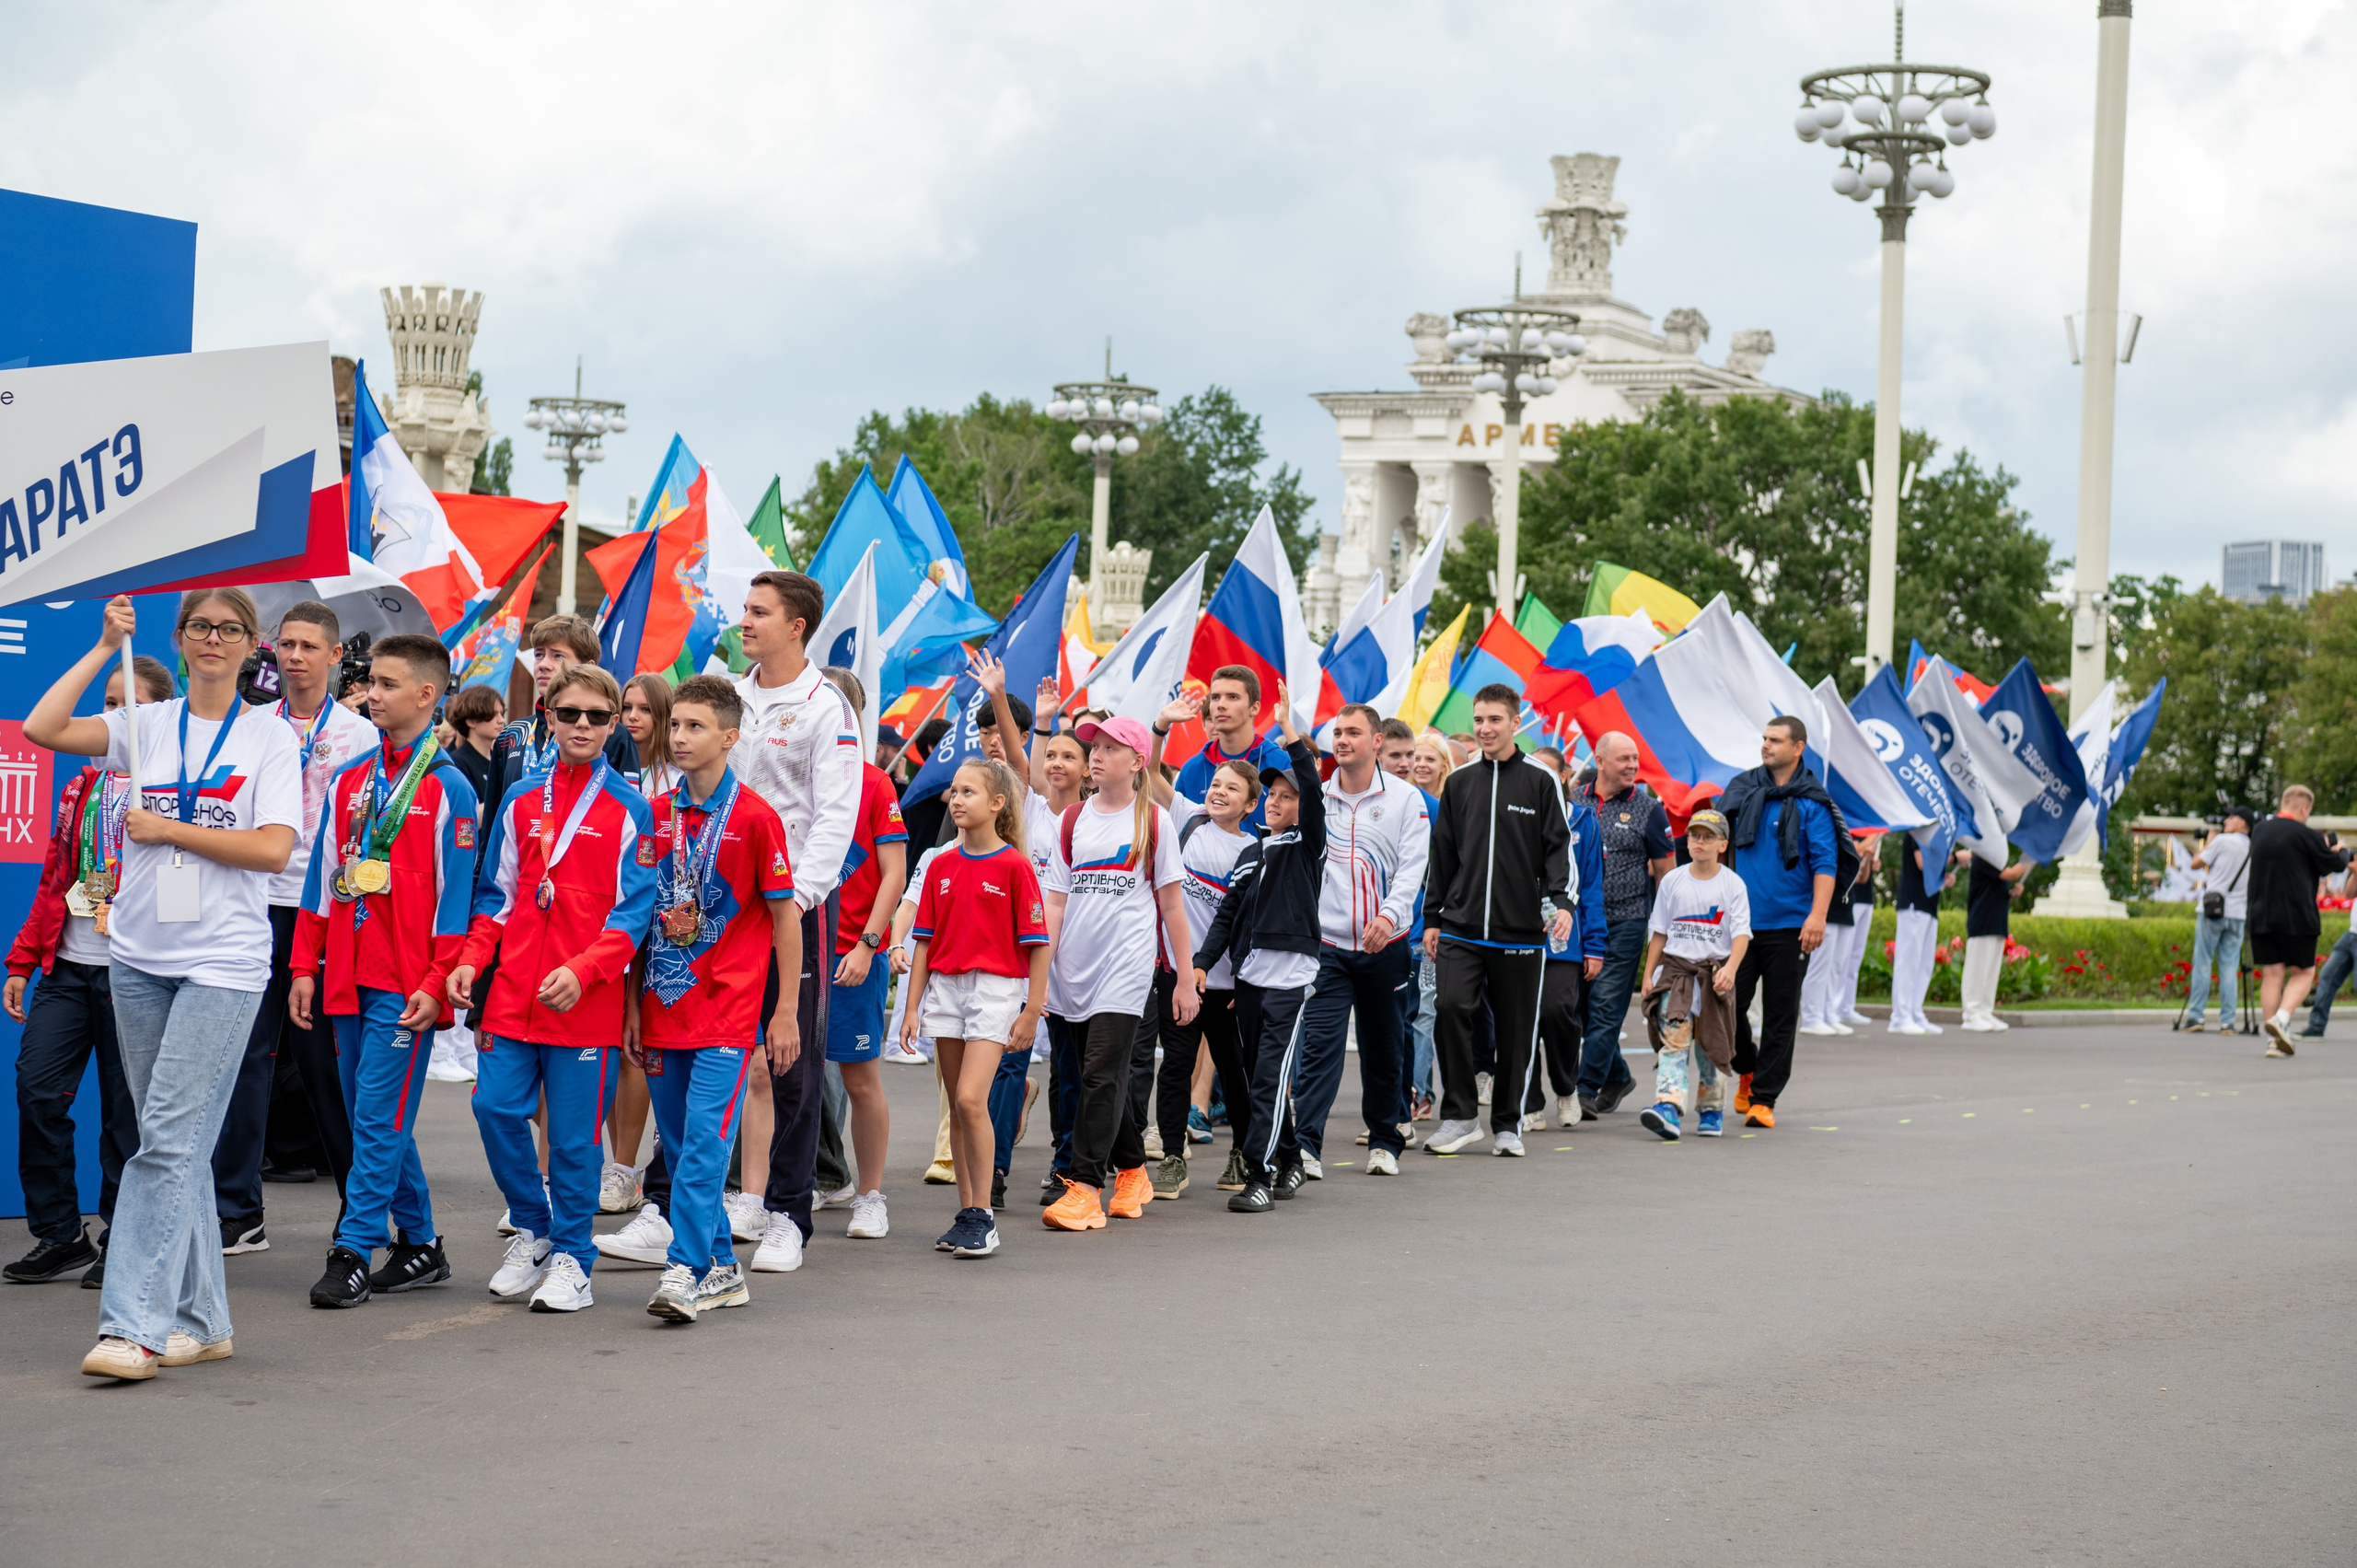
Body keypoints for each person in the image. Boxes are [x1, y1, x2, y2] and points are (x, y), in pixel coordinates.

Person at [26, 591, 303, 1381]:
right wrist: (102, 643)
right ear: (179, 640)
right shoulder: (146, 725)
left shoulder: (267, 737)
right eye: (198, 628)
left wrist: (175, 829)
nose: (212, 639)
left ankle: (133, 1327)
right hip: (139, 955)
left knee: (167, 1144)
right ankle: (205, 1319)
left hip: (223, 963)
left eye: (229, 629)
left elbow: (277, 849)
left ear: (253, 645)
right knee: (170, 1147)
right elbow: (45, 729)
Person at [448, 664, 656, 1313]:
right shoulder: (519, 799)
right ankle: (534, 1228)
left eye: (598, 715)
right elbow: (495, 896)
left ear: (615, 722)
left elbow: (634, 911)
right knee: (493, 1109)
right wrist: (471, 959)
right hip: (513, 992)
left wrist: (587, 969)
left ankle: (573, 1257)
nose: (584, 726)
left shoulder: (631, 806)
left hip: (582, 1001)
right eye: (570, 714)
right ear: (549, 717)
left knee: (572, 1140)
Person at [288, 635, 479, 1307]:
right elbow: (320, 880)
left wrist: (435, 980)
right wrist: (303, 964)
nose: (372, 692)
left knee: (375, 1116)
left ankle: (352, 1248)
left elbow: (458, 898)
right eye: (371, 682)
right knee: (372, 1115)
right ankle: (421, 1242)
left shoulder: (448, 786)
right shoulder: (352, 778)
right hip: (343, 971)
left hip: (405, 983)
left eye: (389, 684)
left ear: (428, 695)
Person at [617, 675, 799, 1322]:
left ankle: (683, 1271)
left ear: (730, 735)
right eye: (676, 725)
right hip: (664, 1010)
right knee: (680, 1144)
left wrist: (782, 1012)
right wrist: (633, 1004)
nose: (681, 737)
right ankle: (723, 1266)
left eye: (696, 726)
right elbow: (639, 918)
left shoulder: (754, 817)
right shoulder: (655, 812)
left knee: (700, 1149)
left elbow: (785, 918)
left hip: (727, 1014)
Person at [211, 601, 379, 1259]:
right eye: (286, 644)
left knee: (323, 1065)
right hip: (256, 901)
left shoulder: (359, 735)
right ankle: (237, 1207)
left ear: (336, 656)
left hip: (326, 911)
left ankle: (357, 1205)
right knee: (247, 1055)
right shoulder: (252, 725)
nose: (296, 656)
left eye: (310, 645)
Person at [5, 656, 174, 1287]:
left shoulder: (172, 791)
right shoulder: (81, 787)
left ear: (156, 717)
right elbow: (55, 879)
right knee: (37, 1088)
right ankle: (60, 1234)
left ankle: (120, 1237)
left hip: (135, 971)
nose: (111, 714)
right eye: (107, 702)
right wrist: (24, 958)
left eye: (127, 703)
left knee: (126, 1116)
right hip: (69, 967)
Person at [730, 571, 864, 1272]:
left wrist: (798, 900)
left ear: (797, 625)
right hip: (719, 903)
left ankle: (788, 1211)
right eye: (746, 610)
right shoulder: (730, 694)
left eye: (759, 612)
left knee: (792, 1062)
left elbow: (834, 818)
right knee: (706, 1049)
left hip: (794, 908)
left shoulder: (827, 708)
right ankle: (669, 1204)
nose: (744, 621)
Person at [1039, 714, 1196, 1232]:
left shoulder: (1153, 820)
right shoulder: (1072, 820)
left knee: (1101, 1072)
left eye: (1110, 747)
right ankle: (1133, 1169)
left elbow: (1172, 906)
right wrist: (1042, 973)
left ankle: (1085, 1187)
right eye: (1094, 748)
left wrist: (1186, 976)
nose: (1097, 755)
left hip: (1127, 967)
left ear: (1137, 760)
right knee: (1096, 1075)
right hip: (1073, 969)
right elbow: (1056, 903)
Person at [901, 758, 1051, 1257]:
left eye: (969, 792)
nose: (958, 799)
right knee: (960, 1108)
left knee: (971, 1100)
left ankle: (984, 1214)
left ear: (997, 803)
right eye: (955, 791)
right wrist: (910, 1008)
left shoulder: (1014, 865)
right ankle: (967, 1214)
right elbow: (922, 941)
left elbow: (1037, 943)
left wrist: (1033, 1007)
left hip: (996, 989)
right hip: (945, 987)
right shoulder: (940, 864)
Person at [1423, 685, 1573, 1158]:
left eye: (1494, 720)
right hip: (1460, 926)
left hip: (1520, 930)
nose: (1485, 729)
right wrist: (1432, 917)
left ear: (1515, 723)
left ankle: (1507, 1124)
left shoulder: (1539, 780)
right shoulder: (1461, 781)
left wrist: (1562, 904)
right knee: (1449, 1009)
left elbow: (1558, 848)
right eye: (1479, 720)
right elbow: (1442, 854)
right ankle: (1461, 1116)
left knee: (1514, 1030)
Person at [1284, 703, 1430, 1178]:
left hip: (1386, 945)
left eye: (1353, 732)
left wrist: (1389, 916)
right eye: (1337, 733)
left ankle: (1386, 1141)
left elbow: (1412, 869)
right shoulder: (1318, 797)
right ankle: (1306, 1145)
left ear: (1377, 742)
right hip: (1328, 947)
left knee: (1384, 1048)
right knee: (1319, 1048)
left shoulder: (1407, 799)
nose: (1343, 740)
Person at [1192, 696, 1324, 1210]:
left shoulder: (1308, 845)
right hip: (1247, 982)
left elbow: (1312, 792)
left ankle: (1261, 1175)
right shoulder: (1251, 852)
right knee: (1254, 1078)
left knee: (1268, 1078)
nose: (1275, 801)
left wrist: (1291, 737)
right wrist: (1203, 963)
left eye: (1287, 797)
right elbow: (1227, 917)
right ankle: (1289, 1159)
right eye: (1271, 794)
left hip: (1290, 981)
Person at [1714, 715, 1849, 1129]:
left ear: (1798, 747)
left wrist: (1818, 916)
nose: (1766, 746)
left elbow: (1826, 862)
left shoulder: (1812, 801)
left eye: (1775, 740)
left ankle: (1764, 1098)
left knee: (1781, 1013)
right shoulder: (1742, 789)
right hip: (1739, 924)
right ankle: (1748, 1067)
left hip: (1791, 925)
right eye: (1765, 739)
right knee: (1726, 1003)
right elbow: (1715, 843)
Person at [1148, 704, 1260, 1198]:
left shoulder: (1255, 851)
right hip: (1176, 973)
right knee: (1174, 1064)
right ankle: (1173, 1156)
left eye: (1232, 788)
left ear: (1250, 805)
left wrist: (1246, 982)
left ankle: (1241, 1152)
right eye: (1216, 783)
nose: (1218, 791)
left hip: (1226, 982)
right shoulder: (1188, 818)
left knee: (1232, 1068)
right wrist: (1161, 727)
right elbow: (1149, 773)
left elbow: (1250, 927)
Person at [820, 666, 908, 1239]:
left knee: (858, 1080)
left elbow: (893, 872)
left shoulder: (875, 785)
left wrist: (868, 944)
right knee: (777, 1078)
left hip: (854, 957)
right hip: (794, 955)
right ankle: (784, 1187)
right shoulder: (788, 779)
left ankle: (870, 1195)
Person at [597, 671, 679, 1217]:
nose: (631, 718)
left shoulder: (680, 773)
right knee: (608, 1038)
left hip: (664, 924)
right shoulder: (606, 773)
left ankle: (626, 1169)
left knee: (639, 1048)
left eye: (644, 709)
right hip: (610, 919)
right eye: (625, 707)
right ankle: (612, 1162)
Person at [1565, 731, 1673, 1119]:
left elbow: (1666, 875)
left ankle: (1584, 1088)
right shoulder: (1573, 801)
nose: (1632, 766)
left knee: (1607, 1005)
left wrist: (1663, 930)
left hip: (1627, 920)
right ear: (1600, 759)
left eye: (1635, 759)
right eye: (1624, 759)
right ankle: (1618, 1076)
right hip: (1577, 921)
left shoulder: (1648, 809)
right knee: (1579, 1007)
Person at [1636, 809, 1752, 1141]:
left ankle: (1712, 1109)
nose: (1699, 842)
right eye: (1694, 836)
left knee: (1710, 1043)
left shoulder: (1733, 884)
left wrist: (1730, 969)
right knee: (1674, 1040)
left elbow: (1742, 934)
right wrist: (1649, 976)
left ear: (1723, 844)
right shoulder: (1673, 880)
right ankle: (1668, 1106)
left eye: (1707, 837)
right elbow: (1659, 931)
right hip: (1677, 974)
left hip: (1714, 974)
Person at [2243, 785, 2351, 1056]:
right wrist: (2340, 851)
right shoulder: (2305, 835)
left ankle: (2274, 1041)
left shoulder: (2260, 831)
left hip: (2260, 913)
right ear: (2304, 807)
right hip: (2296, 915)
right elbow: (2334, 865)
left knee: (2272, 973)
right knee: (2303, 972)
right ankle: (2281, 1019)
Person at [1527, 777, 1607, 1131]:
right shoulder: (1514, 816)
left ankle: (1565, 1087)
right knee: (1520, 1020)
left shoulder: (1582, 823)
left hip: (1564, 941)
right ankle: (1528, 1102)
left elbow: (1590, 887)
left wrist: (1595, 945)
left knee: (1557, 1011)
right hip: (1517, 938)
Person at [1169, 665, 1289, 830]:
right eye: (1216, 697)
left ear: (1254, 708)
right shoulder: (1192, 769)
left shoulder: (1281, 763)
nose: (1221, 705)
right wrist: (1160, 726)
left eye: (1232, 697)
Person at [1406, 735, 1455, 1119]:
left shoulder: (1441, 808)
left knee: (1424, 1013)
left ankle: (1420, 1092)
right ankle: (1408, 1089)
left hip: (1427, 929)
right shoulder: (1394, 801)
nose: (1419, 764)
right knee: (1403, 1015)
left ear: (1443, 764)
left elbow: (1446, 869)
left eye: (1427, 758)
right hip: (1392, 927)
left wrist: (1436, 922)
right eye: (1412, 757)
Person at [2179, 810, 2251, 1032]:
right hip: (2238, 912)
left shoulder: (2221, 840)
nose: (2225, 822)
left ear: (2242, 823)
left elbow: (2195, 864)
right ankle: (2228, 1021)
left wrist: (2209, 843)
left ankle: (2196, 1017)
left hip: (2213, 909)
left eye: (2230, 818)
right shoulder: (2252, 846)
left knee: (2202, 961)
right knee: (2229, 966)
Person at [1958, 848, 2031, 1031]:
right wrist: (2032, 856)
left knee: (1990, 970)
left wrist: (2013, 894)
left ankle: (1985, 1011)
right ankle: (1971, 1014)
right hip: (1982, 921)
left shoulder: (1995, 860)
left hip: (1996, 922)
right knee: (1977, 969)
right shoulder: (1983, 856)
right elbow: (2012, 874)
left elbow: (1997, 888)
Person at [1887, 835, 1951, 1036]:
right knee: (1908, 962)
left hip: (1929, 904)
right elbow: (1922, 862)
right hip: (1913, 902)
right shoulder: (1918, 828)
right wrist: (1955, 858)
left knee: (1924, 964)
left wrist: (1943, 876)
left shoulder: (1933, 831)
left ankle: (1914, 1012)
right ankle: (1900, 1016)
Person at [444, 684, 505, 823]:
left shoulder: (501, 760)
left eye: (501, 713)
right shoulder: (456, 763)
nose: (501, 720)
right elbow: (465, 817)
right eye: (492, 714)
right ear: (471, 721)